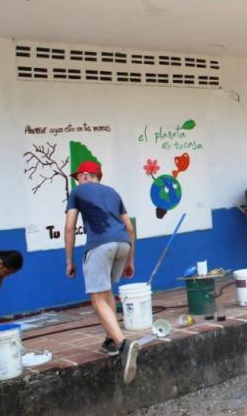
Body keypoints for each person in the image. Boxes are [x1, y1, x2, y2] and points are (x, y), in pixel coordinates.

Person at [64, 160, 140, 385]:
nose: (77, 179)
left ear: (87, 175)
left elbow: (69, 227)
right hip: (122, 244)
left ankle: (123, 344)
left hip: (100, 245)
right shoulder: (113, 193)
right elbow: (130, 228)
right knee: (106, 290)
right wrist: (130, 260)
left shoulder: (77, 192)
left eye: (79, 175)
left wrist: (69, 260)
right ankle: (110, 339)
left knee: (97, 299)